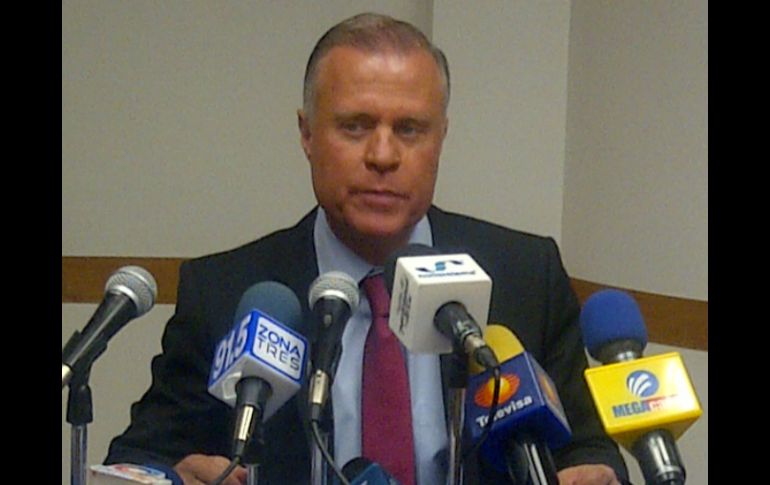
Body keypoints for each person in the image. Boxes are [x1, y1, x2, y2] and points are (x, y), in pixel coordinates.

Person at [105, 12, 630, 485]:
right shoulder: (226, 293)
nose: (383, 155)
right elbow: (140, 457)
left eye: (410, 129)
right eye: (355, 126)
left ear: (441, 138)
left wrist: (597, 471)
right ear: (307, 134)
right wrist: (172, 476)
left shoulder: (526, 277)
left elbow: (588, 447)